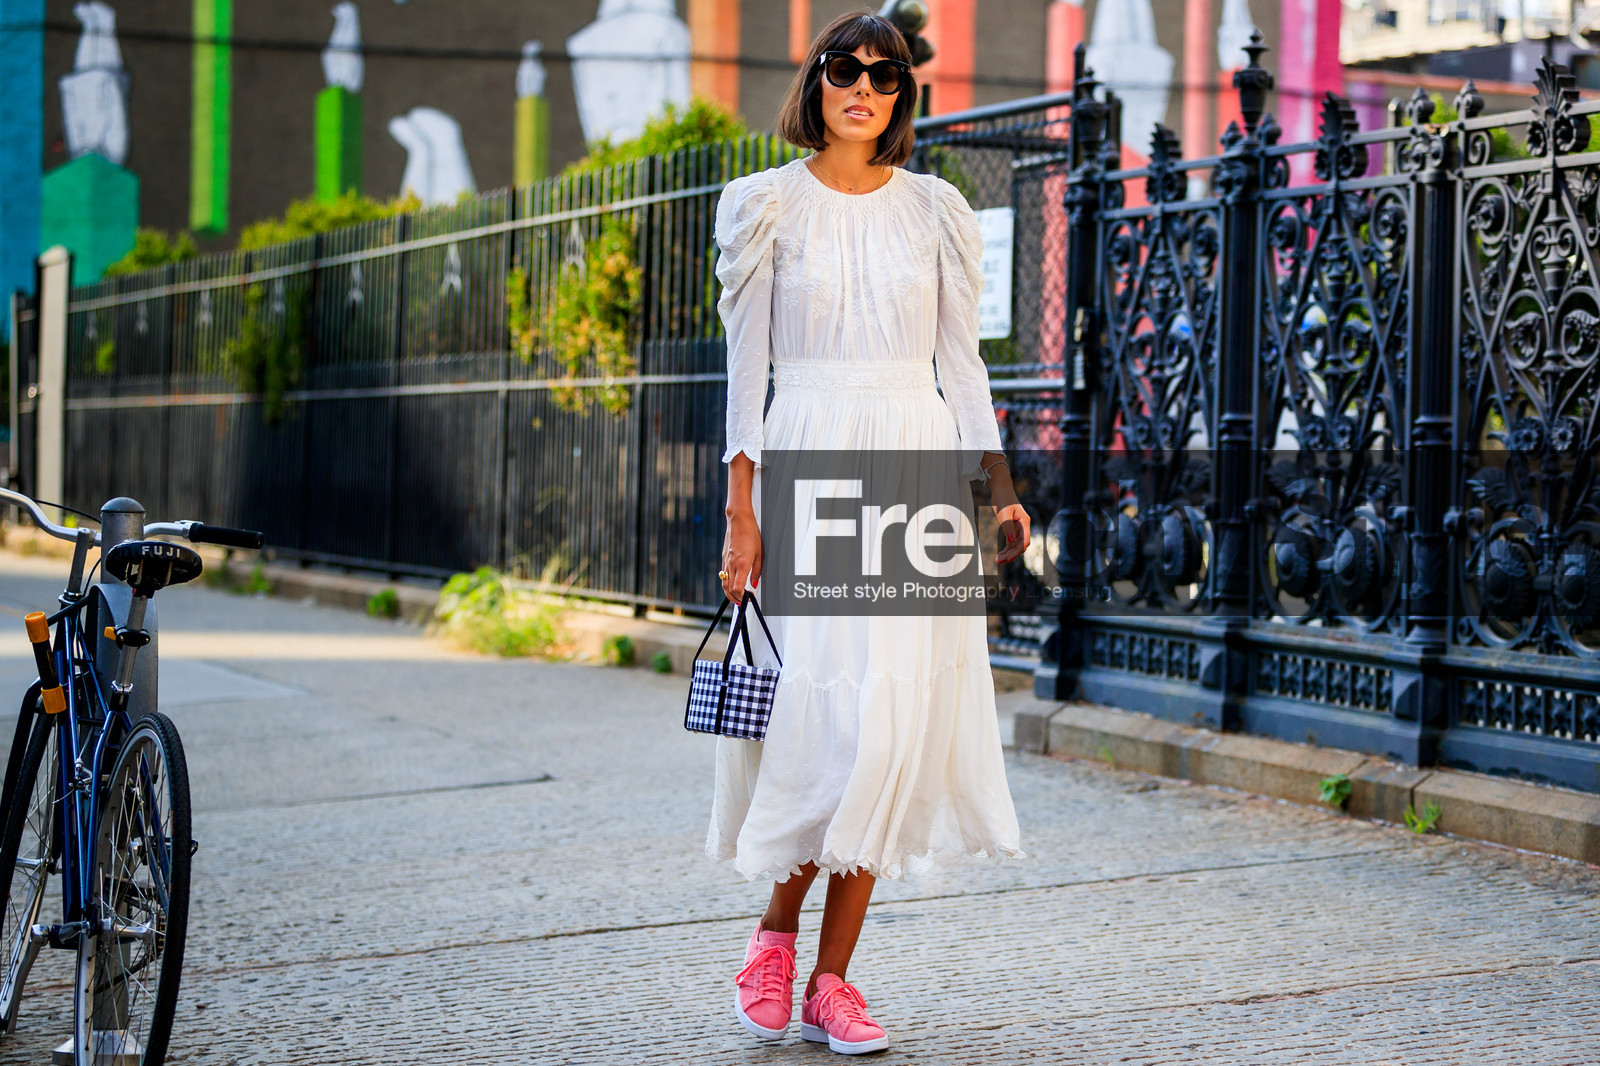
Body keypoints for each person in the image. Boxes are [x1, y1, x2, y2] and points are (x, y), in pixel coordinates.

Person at [709, 10, 1028, 1057]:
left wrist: (999, 484)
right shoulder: (764, 206)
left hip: (914, 460)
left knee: (888, 736)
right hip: (806, 452)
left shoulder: (937, 211)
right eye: (844, 69)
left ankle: (831, 983)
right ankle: (770, 937)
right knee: (825, 730)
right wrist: (739, 509)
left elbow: (964, 365)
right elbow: (745, 373)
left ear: (902, 95)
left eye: (885, 75)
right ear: (816, 81)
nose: (863, 87)